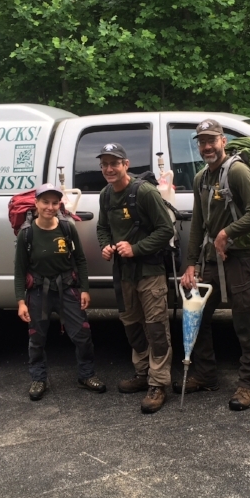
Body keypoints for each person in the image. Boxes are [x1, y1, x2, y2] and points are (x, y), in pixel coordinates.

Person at [179, 119, 250, 411]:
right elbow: (197, 225)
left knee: (244, 321)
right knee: (198, 315)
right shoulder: (201, 178)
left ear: (223, 142)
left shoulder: (238, 171)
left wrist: (226, 232)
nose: (207, 146)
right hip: (209, 259)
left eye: (211, 140)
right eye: (202, 142)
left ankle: (248, 385)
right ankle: (205, 375)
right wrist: (190, 264)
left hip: (239, 257)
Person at [96, 143, 175, 414]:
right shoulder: (106, 195)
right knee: (132, 325)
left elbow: (166, 230)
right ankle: (142, 374)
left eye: (114, 163)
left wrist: (136, 249)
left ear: (125, 164)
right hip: (124, 273)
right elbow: (102, 227)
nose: (109, 169)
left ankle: (159, 383)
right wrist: (105, 245)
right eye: (104, 164)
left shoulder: (144, 192)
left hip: (150, 271)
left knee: (155, 327)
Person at [15, 183, 106, 401]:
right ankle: (39, 378)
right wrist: (21, 301)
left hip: (67, 289)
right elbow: (19, 270)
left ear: (59, 204)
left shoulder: (67, 228)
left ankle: (86, 375)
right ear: (36, 203)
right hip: (38, 292)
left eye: (55, 202)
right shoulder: (26, 234)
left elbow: (80, 260)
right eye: (45, 202)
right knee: (37, 338)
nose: (50, 206)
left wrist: (84, 289)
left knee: (82, 335)